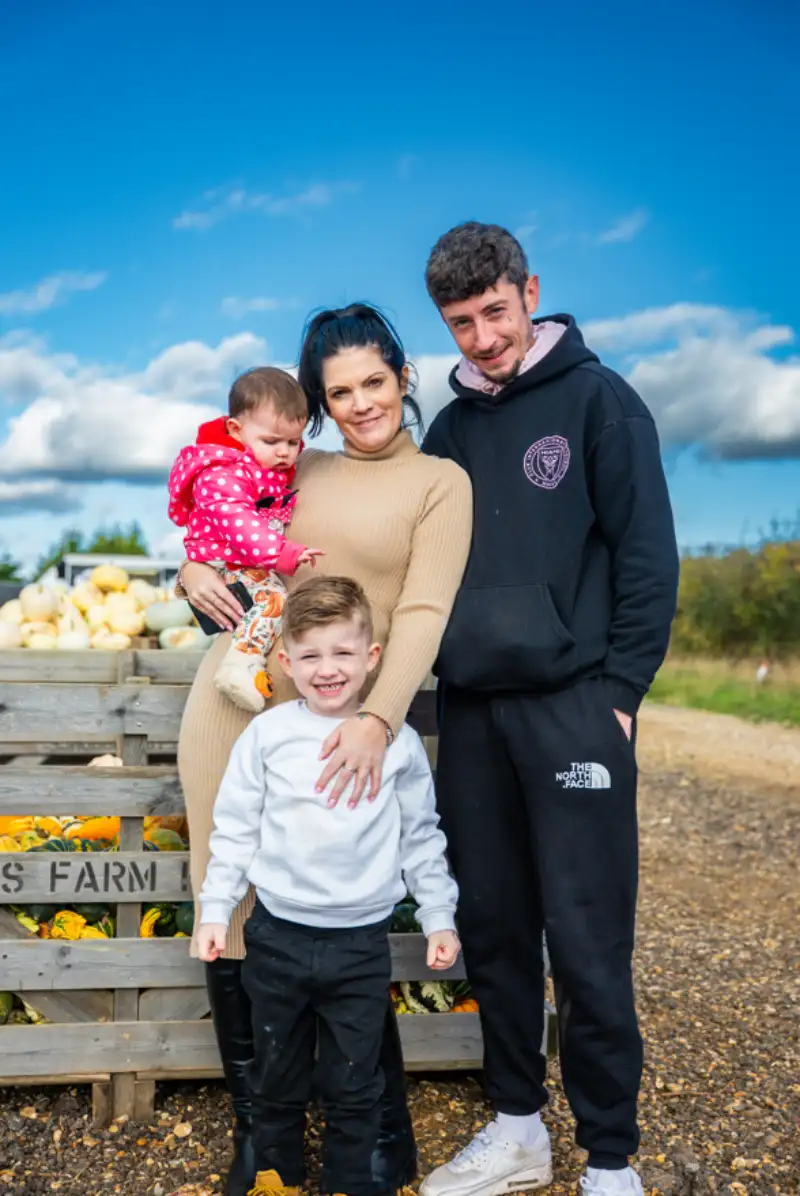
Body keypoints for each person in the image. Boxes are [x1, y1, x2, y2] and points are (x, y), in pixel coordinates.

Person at [176, 303, 472, 1196]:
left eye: (373, 382)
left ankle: (379, 1135)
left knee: (343, 913)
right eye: (337, 393)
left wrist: (378, 723)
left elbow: (420, 613)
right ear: (317, 404)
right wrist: (185, 571)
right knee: (226, 902)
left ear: (402, 377)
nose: (359, 404)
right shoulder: (294, 461)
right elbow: (216, 522)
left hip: (351, 721)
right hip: (237, 707)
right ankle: (260, 1143)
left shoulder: (439, 484)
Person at [417, 223, 680, 1196]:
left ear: (529, 292)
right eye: (460, 322)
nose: (481, 337)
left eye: (494, 311)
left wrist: (617, 697)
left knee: (584, 934)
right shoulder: (446, 432)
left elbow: (648, 558)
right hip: (472, 713)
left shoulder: (600, 402)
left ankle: (610, 1157)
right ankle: (517, 1127)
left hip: (575, 706)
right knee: (492, 926)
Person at [197, 576, 461, 1196]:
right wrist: (215, 910)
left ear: (371, 659)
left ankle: (349, 1181)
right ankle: (276, 1177)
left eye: (343, 653)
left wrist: (438, 916)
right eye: (311, 655)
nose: (327, 669)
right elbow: (234, 829)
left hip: (358, 945)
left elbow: (422, 836)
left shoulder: (397, 745)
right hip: (277, 936)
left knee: (353, 1079)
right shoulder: (268, 735)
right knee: (276, 1073)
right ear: (285, 662)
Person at [168, 366, 323, 713]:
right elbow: (239, 524)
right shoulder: (223, 473)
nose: (284, 452)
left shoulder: (266, 469)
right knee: (273, 601)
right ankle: (241, 663)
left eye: (293, 442)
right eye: (272, 441)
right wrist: (282, 553)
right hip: (227, 562)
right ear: (236, 430)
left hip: (238, 560)